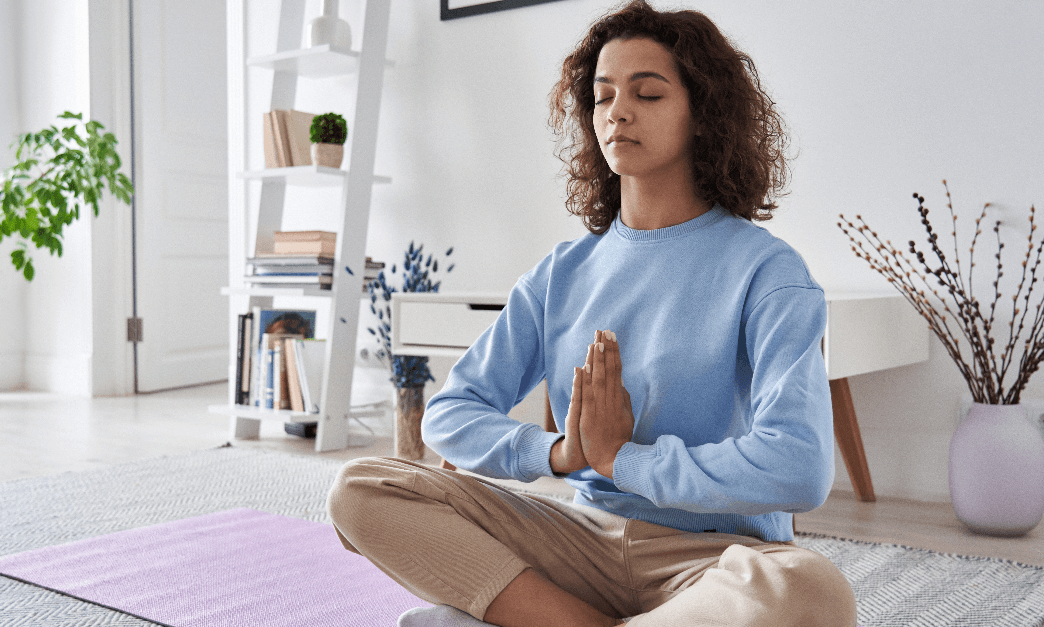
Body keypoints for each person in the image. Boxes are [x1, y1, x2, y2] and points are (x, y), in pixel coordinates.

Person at [327, 2, 858, 625]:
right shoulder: (562, 273)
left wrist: (623, 459)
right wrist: (558, 454)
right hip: (577, 542)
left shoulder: (768, 272)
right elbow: (449, 412)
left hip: (714, 560)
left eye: (648, 94)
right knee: (362, 491)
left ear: (703, 113)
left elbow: (800, 466)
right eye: (603, 96)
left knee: (811, 586)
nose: (618, 113)